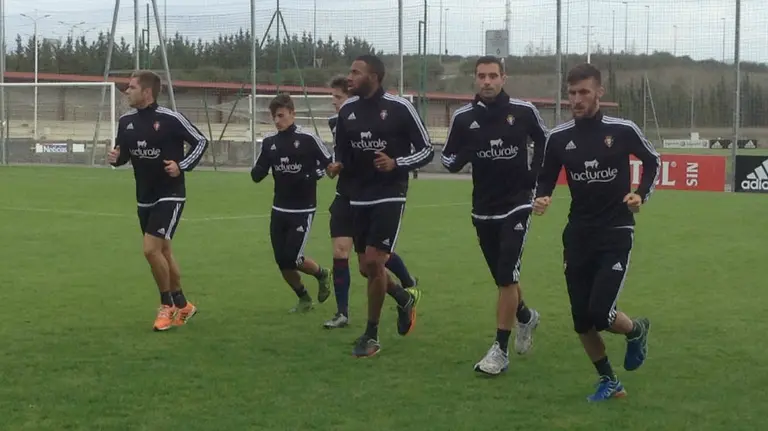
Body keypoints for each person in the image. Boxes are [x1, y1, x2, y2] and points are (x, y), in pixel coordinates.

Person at [533, 63, 658, 402]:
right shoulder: (559, 138)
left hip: (616, 231)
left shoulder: (622, 129)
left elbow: (651, 161)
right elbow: (546, 175)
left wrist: (640, 193)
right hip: (578, 234)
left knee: (601, 313)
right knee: (581, 319)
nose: (577, 99)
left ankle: (636, 329)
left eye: (584, 92)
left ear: (599, 92)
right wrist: (542, 195)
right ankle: (609, 381)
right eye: (572, 93)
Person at [441, 55, 545, 375]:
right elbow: (447, 161)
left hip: (516, 203)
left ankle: (499, 349)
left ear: (504, 78)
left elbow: (545, 142)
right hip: (482, 208)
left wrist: (534, 179)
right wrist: (465, 154)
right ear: (475, 79)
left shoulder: (523, 112)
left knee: (505, 274)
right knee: (504, 276)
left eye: (493, 76)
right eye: (481, 76)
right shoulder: (463, 118)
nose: (487, 81)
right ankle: (526, 317)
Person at [329, 55, 433, 357]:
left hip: (390, 194)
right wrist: (336, 166)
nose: (349, 77)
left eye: (356, 72)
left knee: (375, 262)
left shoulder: (400, 108)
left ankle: (371, 335)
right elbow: (342, 153)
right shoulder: (347, 110)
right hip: (357, 197)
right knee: (366, 268)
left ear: (375, 76)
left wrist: (397, 162)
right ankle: (402, 298)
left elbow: (426, 149)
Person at [107, 70, 208, 331]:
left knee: (150, 249)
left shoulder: (170, 119)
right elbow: (124, 155)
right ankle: (183, 304)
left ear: (147, 92)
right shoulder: (125, 121)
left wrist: (181, 165)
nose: (126, 91)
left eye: (131, 87)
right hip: (144, 196)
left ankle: (167, 306)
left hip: (170, 194)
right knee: (163, 252)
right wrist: (115, 159)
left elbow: (200, 141)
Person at [250, 93, 333, 313]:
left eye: (281, 115)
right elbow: (258, 172)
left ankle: (322, 273)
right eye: (274, 116)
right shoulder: (270, 143)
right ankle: (304, 298)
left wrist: (310, 175)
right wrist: (257, 171)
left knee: (293, 257)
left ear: (292, 114)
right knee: (282, 261)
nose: (277, 120)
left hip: (303, 208)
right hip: (279, 209)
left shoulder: (308, 138)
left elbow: (328, 164)